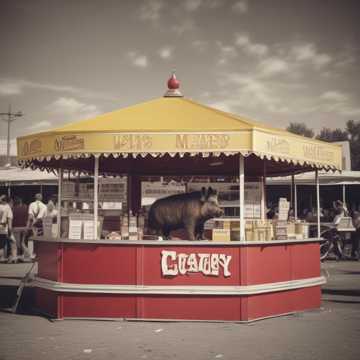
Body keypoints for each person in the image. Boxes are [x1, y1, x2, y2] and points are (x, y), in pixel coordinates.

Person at [12, 196, 29, 262]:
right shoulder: (25, 208)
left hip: (16, 228)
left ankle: (17, 257)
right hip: (24, 227)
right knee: (22, 243)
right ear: (20, 202)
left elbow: (11, 219)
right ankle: (26, 255)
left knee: (17, 243)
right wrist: (27, 227)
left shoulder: (13, 209)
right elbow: (28, 219)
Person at [0, 195, 13, 262]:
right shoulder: (8, 208)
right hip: (3, 228)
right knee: (2, 244)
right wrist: (10, 231)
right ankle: (2, 257)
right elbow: (9, 220)